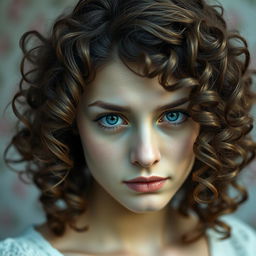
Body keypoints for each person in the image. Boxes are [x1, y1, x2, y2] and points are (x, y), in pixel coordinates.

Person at [1, 0, 256, 255]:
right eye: (111, 119)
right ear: (70, 123)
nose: (146, 156)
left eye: (174, 115)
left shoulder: (241, 247)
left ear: (210, 120)